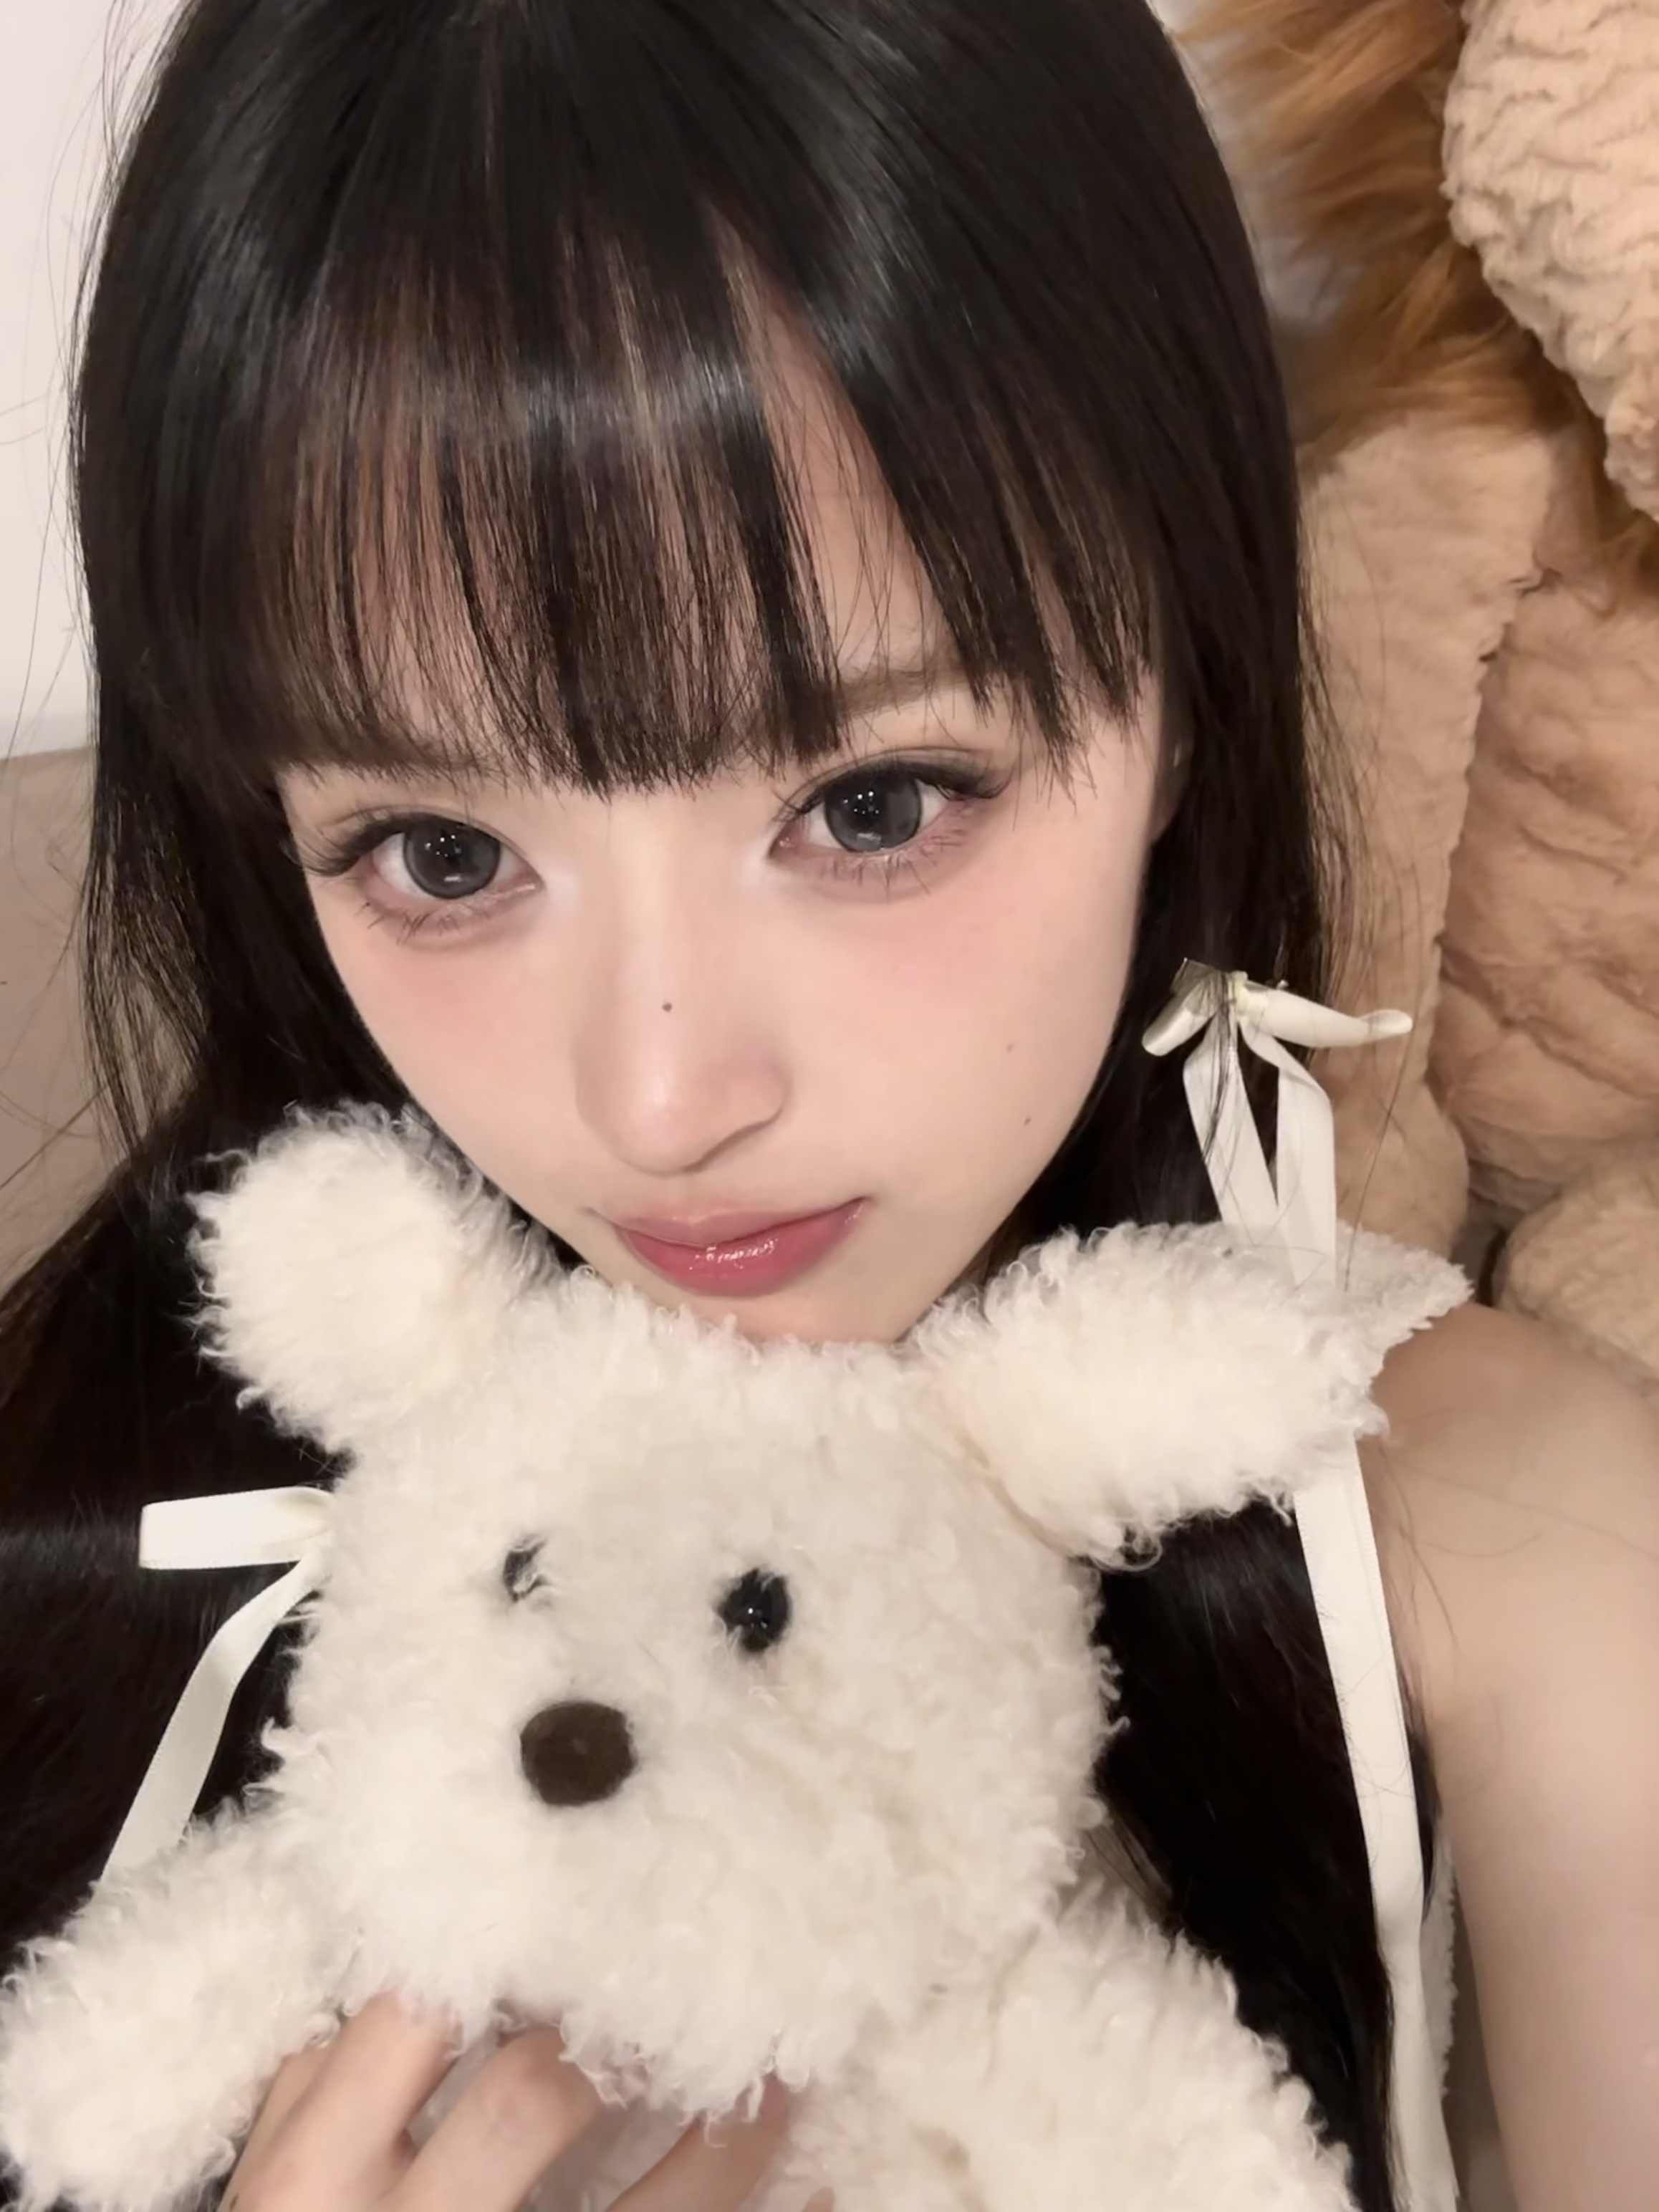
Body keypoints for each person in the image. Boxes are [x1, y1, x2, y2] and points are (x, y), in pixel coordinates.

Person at [0, 1, 1653, 2209]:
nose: (660, 1097)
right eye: (442, 854)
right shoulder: (95, 1491)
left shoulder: (1513, 1554)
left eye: (873, 803)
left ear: (1184, 683)